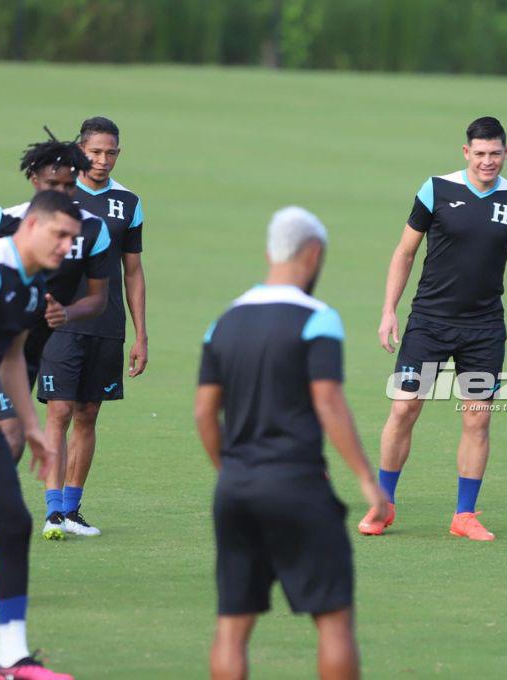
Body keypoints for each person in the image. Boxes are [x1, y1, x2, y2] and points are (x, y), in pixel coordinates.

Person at [195, 206, 388, 680]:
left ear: (269, 252)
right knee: (335, 622)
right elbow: (328, 402)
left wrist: (230, 472)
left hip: (236, 488)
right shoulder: (317, 319)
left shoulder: (224, 321)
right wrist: (368, 480)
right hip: (297, 486)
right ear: (314, 254)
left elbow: (203, 412)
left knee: (232, 628)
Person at [360, 116, 507, 541]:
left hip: (484, 329)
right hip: (429, 323)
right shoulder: (436, 190)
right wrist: (389, 309)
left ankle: (464, 516)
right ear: (466, 152)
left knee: (477, 417)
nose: (488, 161)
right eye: (480, 154)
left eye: (495, 153)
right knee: (404, 408)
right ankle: (383, 504)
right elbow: (404, 253)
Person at [0, 136, 110, 595]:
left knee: (11, 441)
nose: (64, 194)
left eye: (70, 185)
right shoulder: (0, 223)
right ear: (34, 181)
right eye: (53, 184)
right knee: (4, 438)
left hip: (21, 354)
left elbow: (98, 299)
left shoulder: (90, 230)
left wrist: (67, 314)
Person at [0, 190, 79, 679]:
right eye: (60, 234)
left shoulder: (34, 283)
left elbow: (11, 356)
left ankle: (12, 659)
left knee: (12, 522)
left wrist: (31, 427)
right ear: (30, 226)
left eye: (73, 238)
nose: (68, 246)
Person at [37, 116, 148, 538]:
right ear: (80, 150)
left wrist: (141, 334)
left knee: (87, 413)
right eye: (96, 152)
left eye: (111, 152)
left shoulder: (129, 203)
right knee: (59, 410)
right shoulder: (58, 195)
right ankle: (51, 511)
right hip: (59, 320)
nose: (103, 161)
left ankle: (71, 508)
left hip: (107, 323)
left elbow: (133, 272)